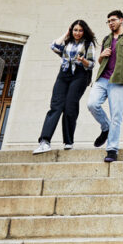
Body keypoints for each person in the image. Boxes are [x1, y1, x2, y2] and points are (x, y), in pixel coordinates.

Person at [33, 20, 97, 154]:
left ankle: (68, 141)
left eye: (80, 30)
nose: (77, 33)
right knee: (55, 106)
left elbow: (91, 64)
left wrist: (82, 60)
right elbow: (53, 46)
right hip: (64, 74)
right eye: (75, 30)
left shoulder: (87, 44)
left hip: (79, 75)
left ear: (84, 31)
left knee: (70, 107)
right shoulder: (67, 43)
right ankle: (44, 141)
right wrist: (66, 33)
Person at [87, 9, 123, 162]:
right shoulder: (107, 39)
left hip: (118, 80)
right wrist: (101, 56)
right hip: (103, 78)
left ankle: (112, 149)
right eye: (109, 21)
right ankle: (105, 127)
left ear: (121, 20)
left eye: (113, 20)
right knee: (92, 104)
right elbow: (101, 62)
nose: (111, 23)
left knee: (116, 115)